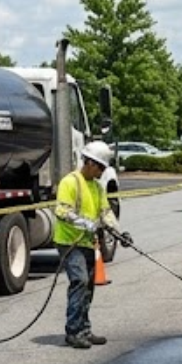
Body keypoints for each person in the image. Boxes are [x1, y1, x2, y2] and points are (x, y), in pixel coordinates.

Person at [53, 141, 130, 349]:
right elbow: (61, 211)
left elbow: (105, 212)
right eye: (100, 167)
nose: (102, 171)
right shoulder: (70, 182)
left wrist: (120, 232)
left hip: (87, 242)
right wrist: (87, 224)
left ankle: (84, 329)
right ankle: (73, 331)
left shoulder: (97, 187)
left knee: (88, 287)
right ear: (88, 162)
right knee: (79, 280)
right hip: (69, 242)